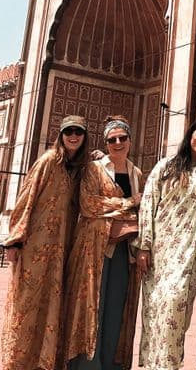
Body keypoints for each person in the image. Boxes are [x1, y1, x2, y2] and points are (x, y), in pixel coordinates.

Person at [1, 114, 90, 370]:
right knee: (27, 302)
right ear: (60, 136)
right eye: (68, 131)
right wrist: (15, 241)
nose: (73, 136)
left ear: (85, 137)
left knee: (51, 302)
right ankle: (18, 361)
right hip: (35, 246)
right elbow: (26, 197)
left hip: (61, 248)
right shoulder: (49, 160)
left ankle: (43, 360)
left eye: (78, 132)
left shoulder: (77, 168)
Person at [135, 119, 196, 370]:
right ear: (190, 135)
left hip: (192, 255)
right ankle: (156, 365)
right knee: (155, 312)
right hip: (161, 253)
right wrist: (144, 245)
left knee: (177, 313)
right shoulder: (166, 167)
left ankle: (168, 365)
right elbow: (148, 205)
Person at [64, 116, 145, 370]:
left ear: (131, 140)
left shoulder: (136, 173)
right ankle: (88, 365)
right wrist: (128, 204)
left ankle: (110, 363)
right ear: (105, 142)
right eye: (112, 139)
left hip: (123, 249)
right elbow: (89, 204)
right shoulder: (95, 169)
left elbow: (144, 210)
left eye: (122, 138)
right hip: (94, 248)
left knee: (115, 307)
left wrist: (123, 211)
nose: (118, 143)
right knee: (92, 306)